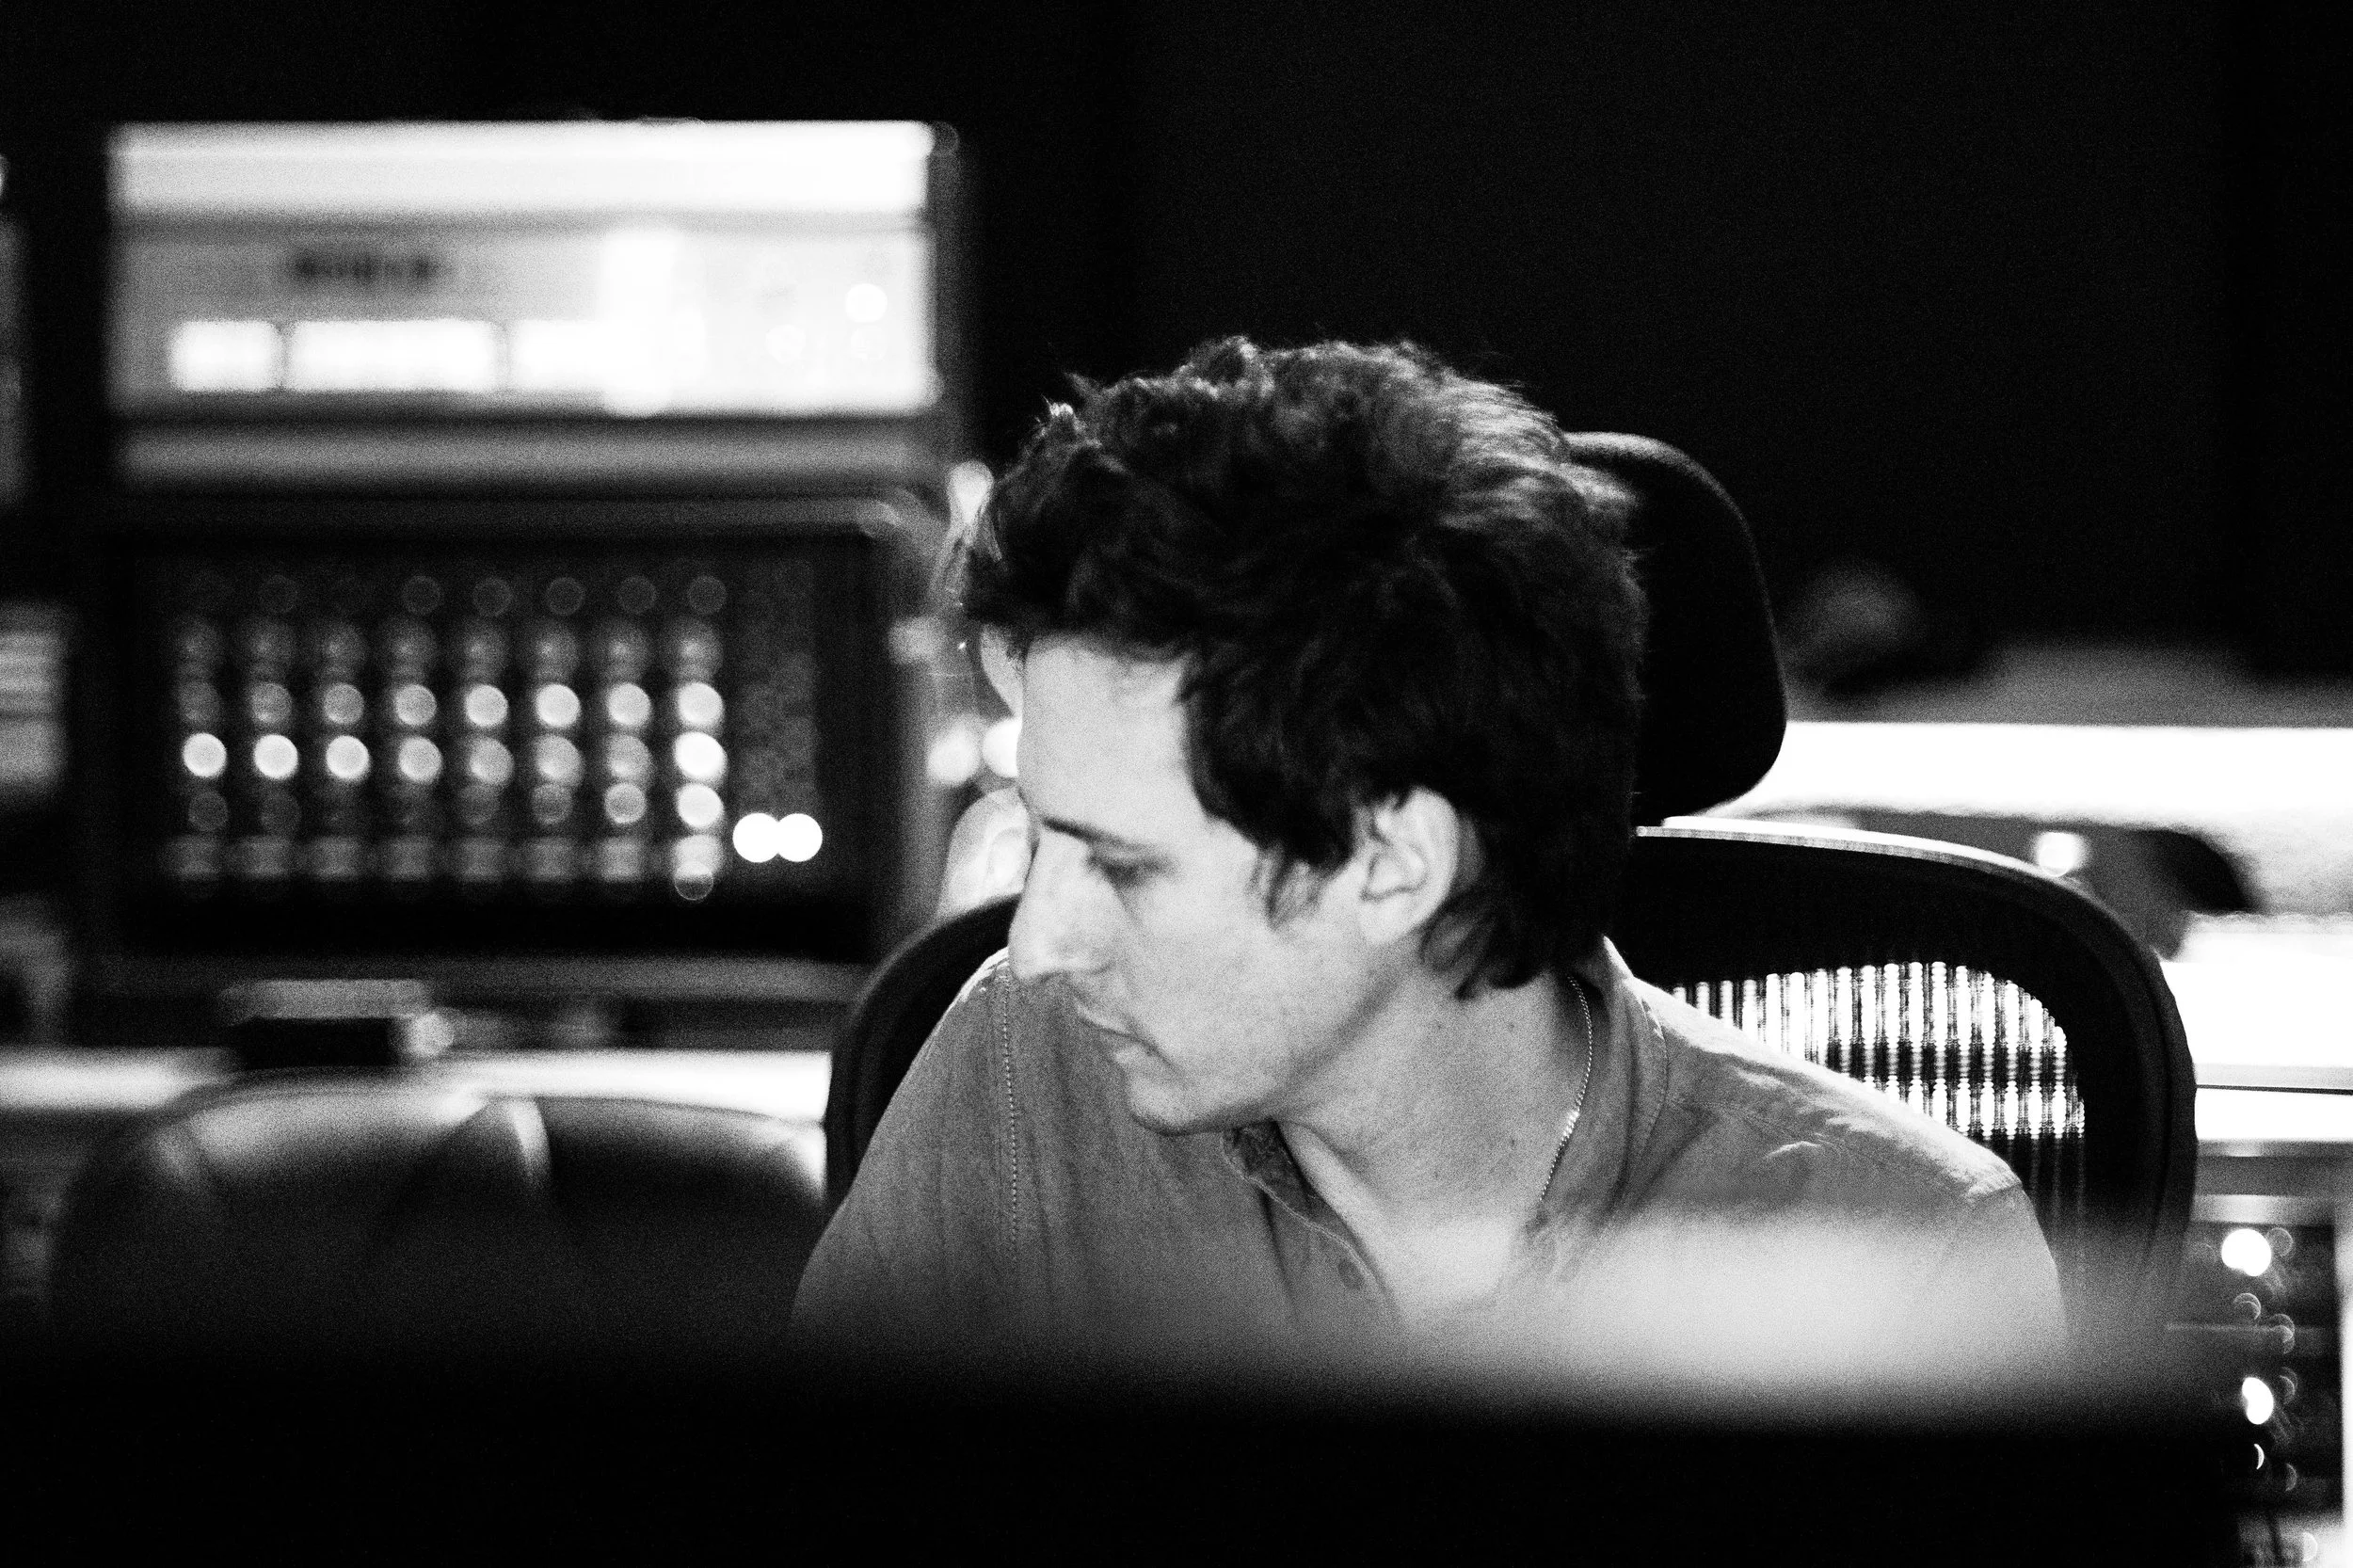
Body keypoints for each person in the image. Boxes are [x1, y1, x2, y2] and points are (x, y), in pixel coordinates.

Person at [793, 338, 2063, 1385]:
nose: (1036, 941)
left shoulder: (1907, 1254)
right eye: (1039, 836)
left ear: (1395, 861)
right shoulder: (1017, 1076)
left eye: (1122, 867)